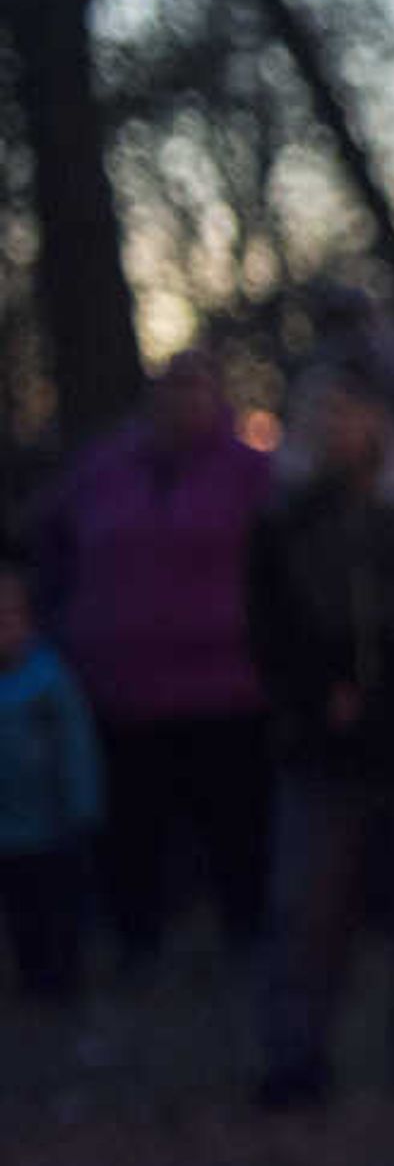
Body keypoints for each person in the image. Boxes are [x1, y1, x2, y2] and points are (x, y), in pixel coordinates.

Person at [243, 356, 394, 1109]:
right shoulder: (284, 523)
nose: (339, 428)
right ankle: (296, 1059)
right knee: (307, 909)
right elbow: (268, 629)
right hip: (323, 751)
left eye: (352, 411)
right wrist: (317, 700)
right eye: (325, 412)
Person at [29, 347, 279, 968]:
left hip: (228, 690)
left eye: (197, 388)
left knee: (235, 825)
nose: (183, 400)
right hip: (122, 691)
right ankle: (137, 941)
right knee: (132, 831)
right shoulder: (102, 469)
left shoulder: (252, 474)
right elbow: (47, 543)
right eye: (172, 388)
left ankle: (244, 935)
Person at [0, 548, 103, 1025]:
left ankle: (63, 977)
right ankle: (33, 974)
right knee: (22, 913)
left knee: (56, 906)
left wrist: (82, 804)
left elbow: (76, 746)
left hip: (53, 824)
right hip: (8, 829)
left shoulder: (49, 679)